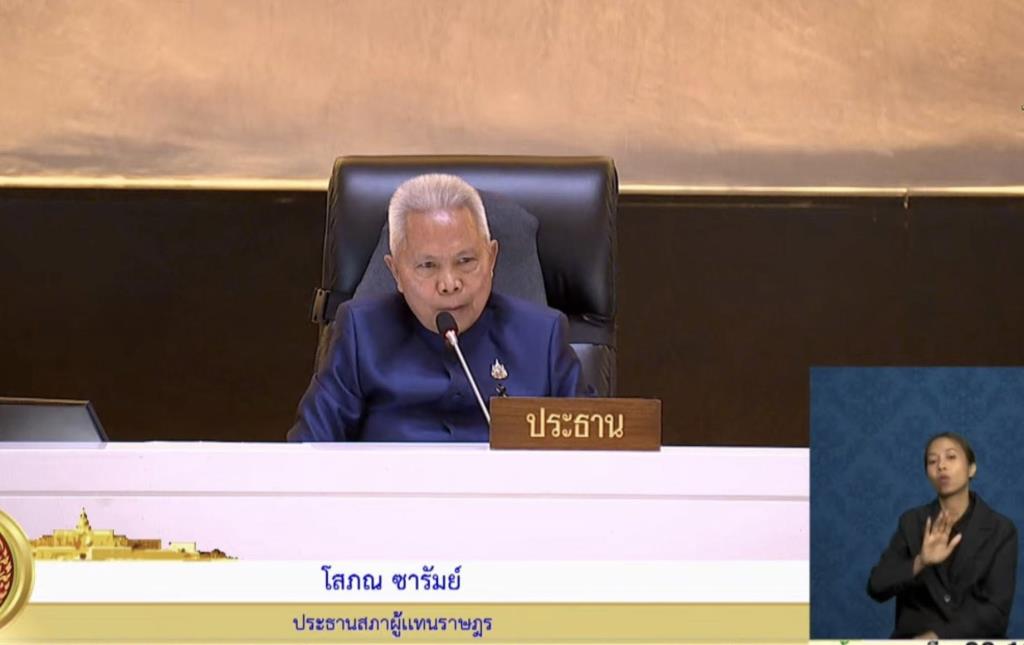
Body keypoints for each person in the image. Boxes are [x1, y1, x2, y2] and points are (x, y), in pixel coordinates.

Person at [287, 173, 583, 442]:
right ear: (395, 271)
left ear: (491, 258)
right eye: (427, 266)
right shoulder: (361, 333)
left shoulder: (543, 336)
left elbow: (593, 449)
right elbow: (308, 451)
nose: (449, 283)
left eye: (465, 261)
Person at [867, 432, 1018, 639]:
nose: (941, 466)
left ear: (972, 468)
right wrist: (920, 562)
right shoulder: (911, 522)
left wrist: (938, 637)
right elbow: (876, 587)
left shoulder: (1001, 529)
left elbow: (996, 611)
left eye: (951, 457)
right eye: (932, 461)